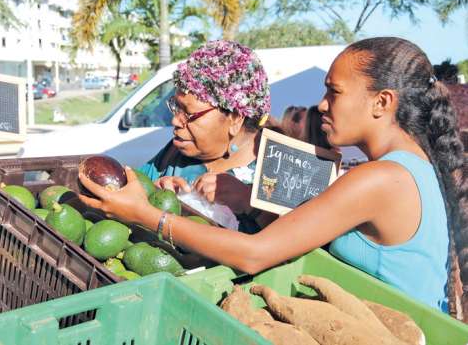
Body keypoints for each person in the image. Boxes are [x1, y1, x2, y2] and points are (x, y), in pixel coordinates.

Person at [78, 37, 467, 317]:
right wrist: (243, 199)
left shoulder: (380, 179)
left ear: (382, 102)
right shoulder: (411, 168)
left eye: (334, 92)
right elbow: (314, 216)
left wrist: (148, 217)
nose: (322, 104)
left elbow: (254, 254)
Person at [138, 40, 272, 233]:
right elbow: (132, 188)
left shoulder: (275, 169)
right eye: (176, 107)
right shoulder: (176, 151)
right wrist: (152, 192)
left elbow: (296, 241)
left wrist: (249, 204)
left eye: (188, 113)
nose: (175, 121)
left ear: (234, 119)